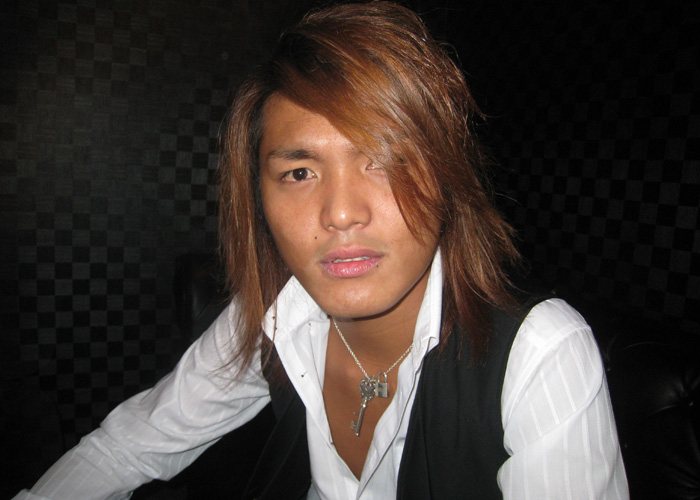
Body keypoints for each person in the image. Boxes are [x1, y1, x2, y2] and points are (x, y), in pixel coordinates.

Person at [14, 2, 629, 499]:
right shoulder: (274, 319)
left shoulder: (540, 355)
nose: (340, 213)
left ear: (447, 176)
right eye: (300, 172)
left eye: (383, 160)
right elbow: (128, 446)